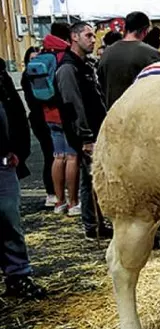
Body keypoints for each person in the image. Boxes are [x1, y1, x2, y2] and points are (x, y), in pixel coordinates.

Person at [56, 22, 112, 240]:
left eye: (93, 35)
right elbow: (72, 105)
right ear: (74, 37)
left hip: (95, 130)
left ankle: (97, 223)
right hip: (85, 134)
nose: (92, 39)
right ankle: (93, 225)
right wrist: (85, 137)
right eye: (88, 35)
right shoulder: (69, 68)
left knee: (92, 178)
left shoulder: (84, 65)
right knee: (90, 180)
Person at [0, 57, 46, 299]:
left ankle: (18, 276)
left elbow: (15, 111)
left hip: (4, 162)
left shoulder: (1, 74)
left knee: (9, 218)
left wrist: (16, 149)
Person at [33, 23, 80, 215]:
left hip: (47, 112)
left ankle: (59, 201)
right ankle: (73, 202)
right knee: (72, 157)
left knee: (57, 156)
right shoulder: (63, 55)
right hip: (64, 112)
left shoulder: (44, 53)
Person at [98, 11, 160, 110]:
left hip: (112, 116)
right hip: (140, 116)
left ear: (125, 28)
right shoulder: (152, 55)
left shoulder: (106, 54)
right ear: (146, 30)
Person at [20, 47, 56, 207]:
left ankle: (54, 192)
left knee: (54, 155)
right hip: (40, 118)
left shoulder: (34, 76)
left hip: (41, 117)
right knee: (50, 155)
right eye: (32, 59)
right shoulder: (29, 77)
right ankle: (51, 192)